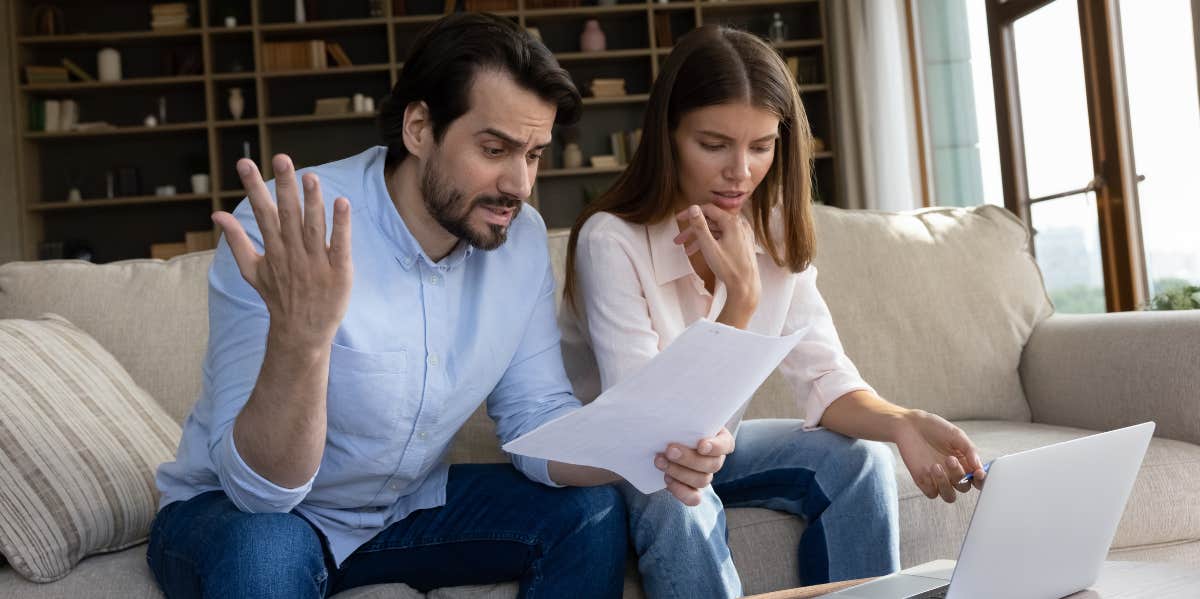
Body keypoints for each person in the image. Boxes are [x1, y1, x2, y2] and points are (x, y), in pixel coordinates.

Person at [148, 14, 734, 598]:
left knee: (590, 511)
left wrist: (655, 452)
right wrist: (302, 340)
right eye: (494, 148)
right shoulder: (290, 228)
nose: (519, 184)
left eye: (533, 154)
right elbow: (262, 493)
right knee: (265, 550)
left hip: (403, 510)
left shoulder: (520, 239)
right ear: (419, 128)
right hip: (237, 514)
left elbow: (536, 417)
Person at [558, 25, 989, 599]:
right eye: (713, 145)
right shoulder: (611, 240)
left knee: (859, 462)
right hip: (628, 466)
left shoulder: (774, 227)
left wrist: (902, 422)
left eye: (761, 146)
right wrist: (740, 299)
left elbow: (825, 377)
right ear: (667, 136)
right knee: (676, 494)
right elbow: (656, 428)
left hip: (712, 449)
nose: (740, 171)